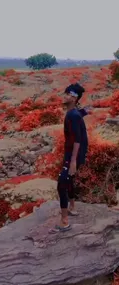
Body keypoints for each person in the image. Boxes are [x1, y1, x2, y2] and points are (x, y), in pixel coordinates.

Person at [52, 83, 90, 233]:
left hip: (74, 154)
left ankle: (64, 221)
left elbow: (77, 139)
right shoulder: (74, 113)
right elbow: (80, 115)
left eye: (68, 94)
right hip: (71, 154)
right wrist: (86, 111)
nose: (65, 96)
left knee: (62, 184)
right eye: (66, 93)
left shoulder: (72, 115)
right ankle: (72, 208)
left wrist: (73, 161)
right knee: (69, 179)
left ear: (74, 98)